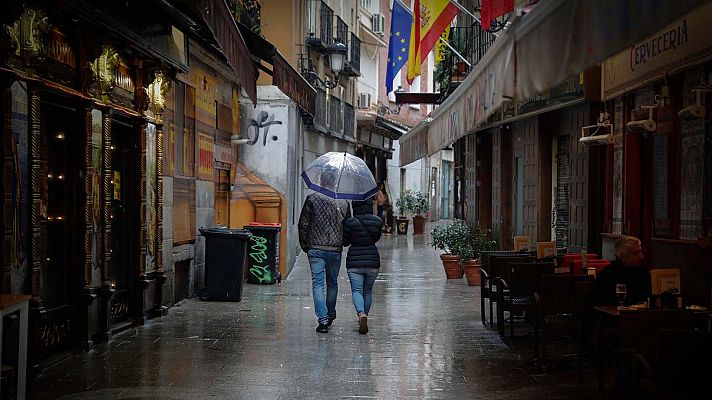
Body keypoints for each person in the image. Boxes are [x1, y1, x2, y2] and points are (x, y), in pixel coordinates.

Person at [298, 171, 351, 334]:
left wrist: (305, 244)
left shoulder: (312, 199)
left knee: (318, 284)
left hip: (315, 249)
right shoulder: (343, 202)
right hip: (335, 249)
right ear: (334, 182)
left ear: (321, 181)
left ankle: (322, 320)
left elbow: (304, 224)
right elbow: (347, 226)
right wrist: (344, 242)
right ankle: (330, 313)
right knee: (333, 283)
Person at [342, 198, 382, 334]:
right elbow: (376, 238)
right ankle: (364, 316)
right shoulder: (377, 221)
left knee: (357, 291)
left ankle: (361, 314)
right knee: (367, 291)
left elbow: (345, 242)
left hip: (354, 262)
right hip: (372, 261)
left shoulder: (350, 222)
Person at [592, 235, 651, 306]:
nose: (642, 256)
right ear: (622, 256)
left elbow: (647, 298)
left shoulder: (642, 271)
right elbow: (600, 303)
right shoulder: (609, 274)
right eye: (636, 253)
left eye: (640, 252)